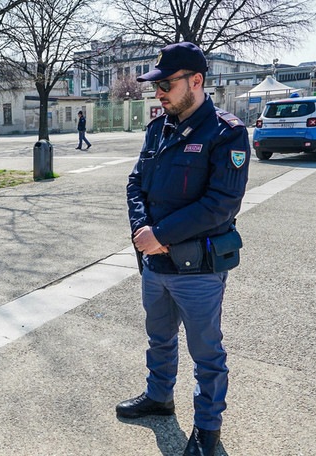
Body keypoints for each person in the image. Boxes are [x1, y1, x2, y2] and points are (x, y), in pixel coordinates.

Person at [116, 42, 250, 456]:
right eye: (157, 86)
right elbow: (135, 184)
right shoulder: (159, 128)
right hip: (155, 264)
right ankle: (159, 396)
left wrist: (161, 234)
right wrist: (143, 230)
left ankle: (208, 429)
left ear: (197, 81)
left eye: (167, 84)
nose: (159, 93)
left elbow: (220, 205)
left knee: (207, 353)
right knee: (159, 338)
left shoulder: (227, 133)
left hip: (198, 269)